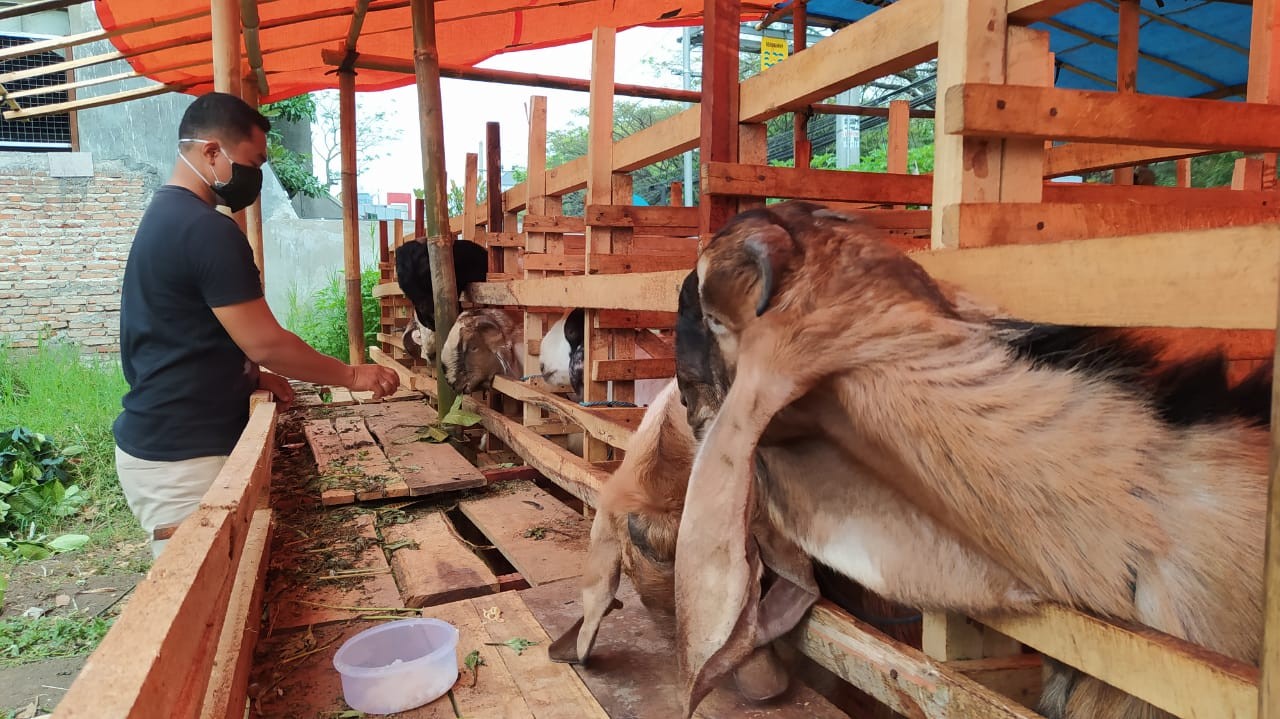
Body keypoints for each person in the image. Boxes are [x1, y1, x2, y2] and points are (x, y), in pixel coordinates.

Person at [112, 92, 401, 557]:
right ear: (211, 152)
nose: (257, 177)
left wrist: (246, 375)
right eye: (254, 161)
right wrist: (352, 375)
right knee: (206, 608)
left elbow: (187, 332)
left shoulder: (170, 216)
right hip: (184, 459)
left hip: (172, 441)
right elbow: (266, 342)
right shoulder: (205, 229)